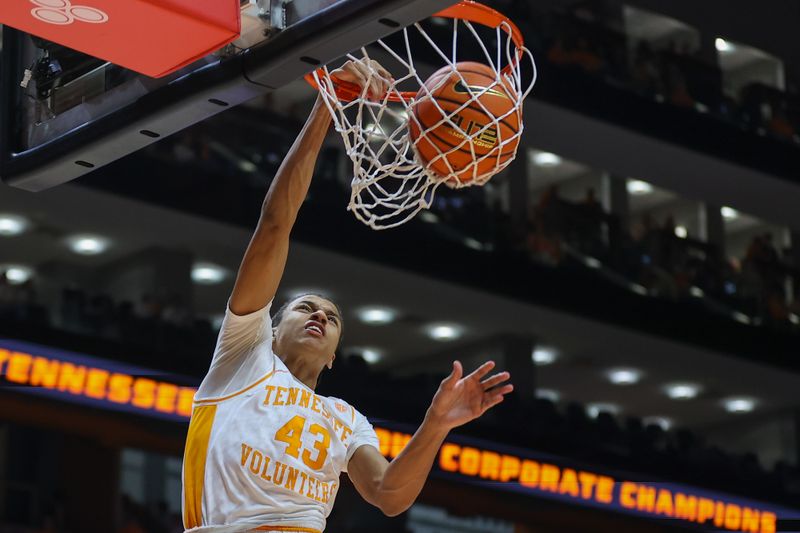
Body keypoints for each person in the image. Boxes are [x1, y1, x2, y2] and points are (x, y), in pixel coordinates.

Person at [181, 58, 514, 533]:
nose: (319, 316)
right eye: (305, 308)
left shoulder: (345, 418)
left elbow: (389, 496)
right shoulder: (244, 357)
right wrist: (326, 107)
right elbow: (276, 225)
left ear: (336, 356)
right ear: (271, 330)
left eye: (332, 317)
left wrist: (436, 424)